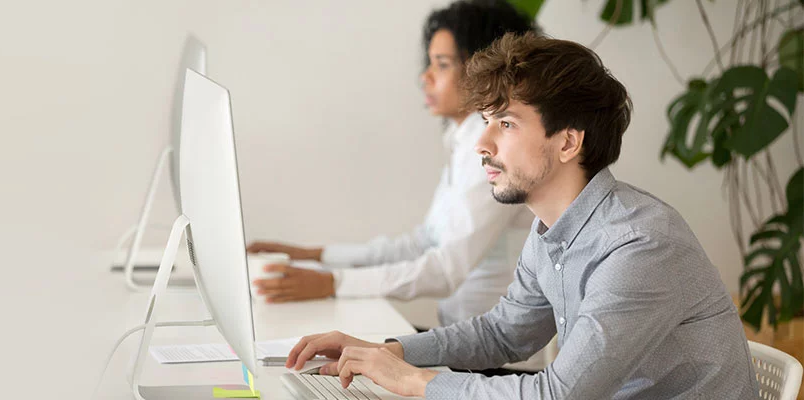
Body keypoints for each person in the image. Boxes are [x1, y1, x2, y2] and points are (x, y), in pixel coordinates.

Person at [284, 32, 756, 399]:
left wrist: (412, 380)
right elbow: (504, 334)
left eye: (506, 123)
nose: (483, 144)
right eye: (487, 121)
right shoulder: (551, 230)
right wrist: (390, 351)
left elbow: (558, 394)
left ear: (569, 142)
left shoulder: (640, 246)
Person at [248, 0, 537, 329]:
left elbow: (444, 270)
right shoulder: (464, 142)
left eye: (441, 64)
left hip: (495, 357)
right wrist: (314, 257)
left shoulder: (494, 150)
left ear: (484, 70)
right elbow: (423, 242)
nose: (425, 77)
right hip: (461, 337)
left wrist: (332, 282)